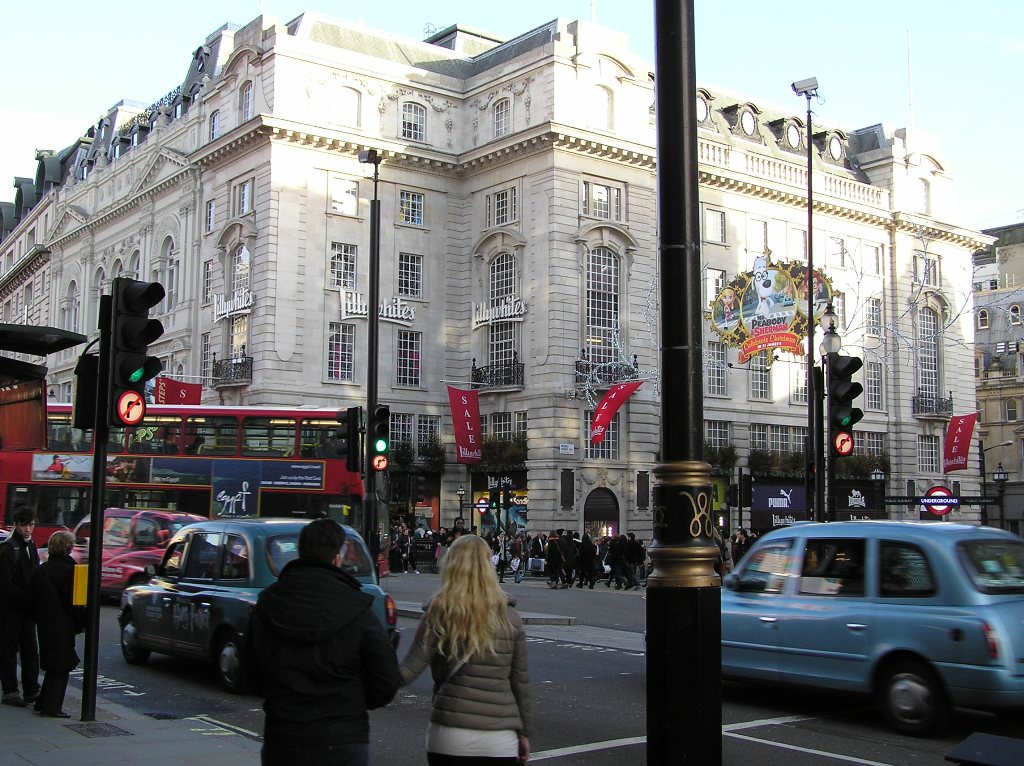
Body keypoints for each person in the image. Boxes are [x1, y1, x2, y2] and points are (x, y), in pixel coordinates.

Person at [246, 518, 402, 766]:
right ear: (337, 558)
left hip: (285, 734)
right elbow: (386, 679)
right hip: (343, 736)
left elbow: (251, 674)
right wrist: (356, 702)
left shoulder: (268, 603)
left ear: (300, 552)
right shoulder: (357, 606)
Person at [399, 535, 531, 765]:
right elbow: (520, 683)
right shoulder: (510, 618)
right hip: (499, 737)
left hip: (451, 732)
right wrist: (525, 732)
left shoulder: (439, 613)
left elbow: (409, 670)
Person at [28, 530, 86, 717]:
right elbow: (75, 603)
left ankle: (43, 702)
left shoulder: (41, 569)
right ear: (68, 548)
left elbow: (32, 601)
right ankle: (51, 707)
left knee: (53, 664)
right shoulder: (71, 570)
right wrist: (82, 622)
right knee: (61, 665)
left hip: (45, 625)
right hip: (63, 625)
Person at [0, 507, 41, 707]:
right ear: (16, 525)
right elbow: (5, 583)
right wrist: (25, 596)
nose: (28, 529)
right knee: (8, 649)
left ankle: (32, 689)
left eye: (31, 525)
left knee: (31, 649)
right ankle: (10, 691)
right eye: (24, 525)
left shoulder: (31, 545)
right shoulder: (9, 549)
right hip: (11, 608)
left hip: (27, 608)